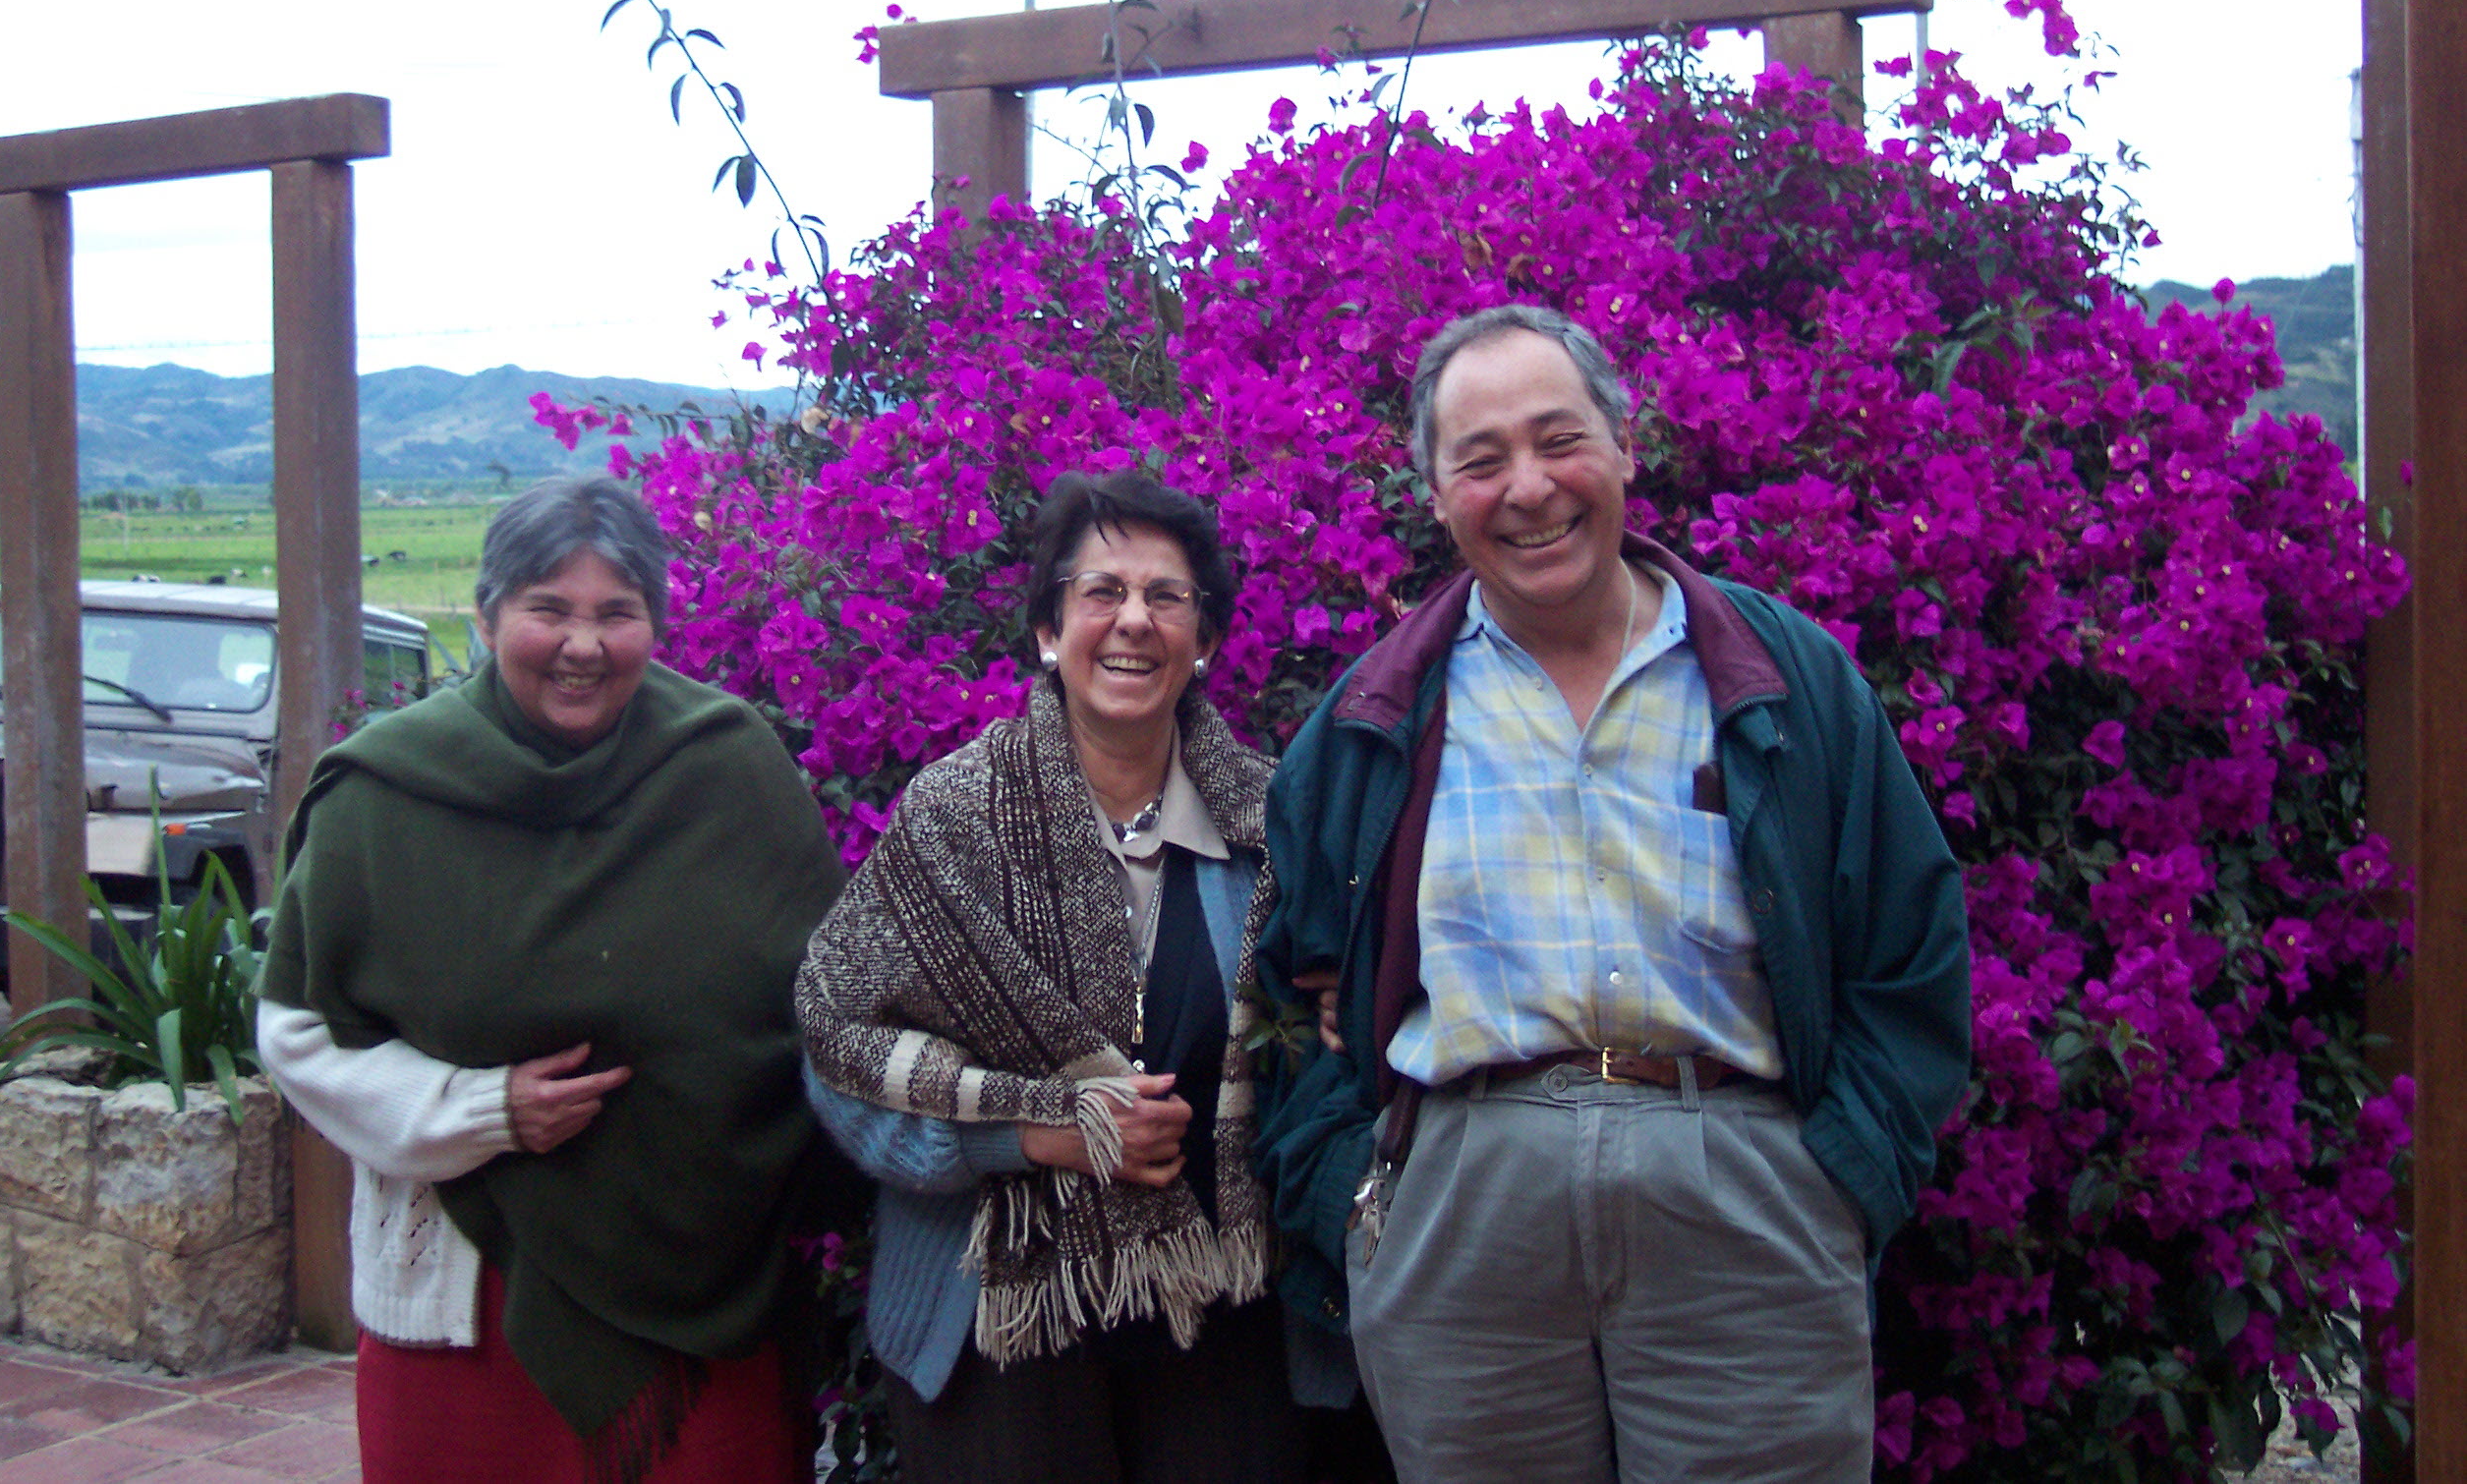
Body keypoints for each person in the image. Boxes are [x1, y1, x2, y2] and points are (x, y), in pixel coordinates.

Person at [1253, 305, 1972, 1484]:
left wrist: (1841, 1176)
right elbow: (1281, 998)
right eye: (1480, 461)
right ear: (1435, 494)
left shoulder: (1784, 679)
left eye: (1559, 439)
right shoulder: (1371, 720)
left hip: (1749, 1198)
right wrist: (1351, 1198)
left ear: (1625, 446)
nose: (1528, 488)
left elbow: (1911, 944)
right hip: (1461, 1218)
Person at [258, 475, 846, 1483]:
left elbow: (833, 999)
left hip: (701, 1288)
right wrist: (481, 1109)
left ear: (655, 625)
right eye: (548, 610)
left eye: (618, 613)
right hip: (467, 1295)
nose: (584, 644)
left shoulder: (726, 768)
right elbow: (298, 1034)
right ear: (487, 618)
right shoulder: (386, 794)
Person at [796, 471, 1335, 1484]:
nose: (1133, 620)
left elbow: (1328, 1018)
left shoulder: (1275, 830)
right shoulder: (951, 823)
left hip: (1223, 1317)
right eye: (1100, 591)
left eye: (1166, 596)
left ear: (1204, 639)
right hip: (995, 1322)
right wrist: (1029, 1134)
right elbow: (840, 1051)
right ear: (1049, 630)